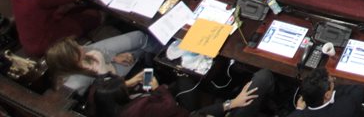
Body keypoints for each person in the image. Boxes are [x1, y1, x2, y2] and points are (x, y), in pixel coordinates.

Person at [89, 68, 272, 117]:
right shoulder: (136, 110)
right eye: (123, 88)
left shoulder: (113, 108)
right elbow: (192, 113)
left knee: (183, 77)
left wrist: (128, 83)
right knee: (263, 78)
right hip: (183, 112)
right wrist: (231, 104)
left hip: (185, 112)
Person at [46, 33, 153, 95]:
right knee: (149, 71)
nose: (82, 47)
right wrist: (129, 83)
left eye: (77, 45)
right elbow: (104, 95)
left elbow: (93, 49)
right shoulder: (77, 84)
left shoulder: (80, 55)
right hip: (117, 85)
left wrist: (114, 57)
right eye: (78, 49)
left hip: (109, 67)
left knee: (139, 38)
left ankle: (151, 57)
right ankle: (154, 62)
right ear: (72, 61)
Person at [292, 69, 364, 116]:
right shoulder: (346, 105)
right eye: (332, 81)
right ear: (327, 95)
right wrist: (333, 92)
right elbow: (359, 89)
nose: (334, 79)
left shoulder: (300, 114)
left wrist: (299, 109)